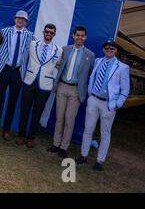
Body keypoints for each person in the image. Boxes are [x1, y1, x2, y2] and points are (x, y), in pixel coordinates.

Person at [76, 39, 130, 172]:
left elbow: (125, 89)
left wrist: (117, 104)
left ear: (116, 50)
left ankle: (99, 161)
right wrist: (90, 95)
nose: (109, 50)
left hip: (108, 104)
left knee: (105, 133)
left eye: (112, 48)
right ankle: (83, 155)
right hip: (94, 100)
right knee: (88, 129)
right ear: (103, 49)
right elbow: (92, 79)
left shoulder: (122, 67)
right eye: (106, 48)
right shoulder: (98, 61)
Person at [48, 26, 95, 158]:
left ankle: (64, 147)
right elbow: (58, 64)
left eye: (82, 36)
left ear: (85, 38)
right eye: (77, 35)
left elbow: (91, 73)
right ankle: (56, 144)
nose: (79, 38)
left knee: (69, 119)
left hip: (76, 90)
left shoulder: (90, 55)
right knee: (59, 118)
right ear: (73, 36)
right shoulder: (65, 49)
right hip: (62, 86)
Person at [16, 23, 62, 148]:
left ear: (54, 34)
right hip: (29, 81)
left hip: (45, 85)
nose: (48, 34)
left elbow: (58, 66)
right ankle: (21, 135)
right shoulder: (33, 44)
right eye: (47, 31)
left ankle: (31, 137)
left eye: (51, 33)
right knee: (24, 109)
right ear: (43, 32)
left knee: (38, 112)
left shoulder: (58, 50)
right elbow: (24, 59)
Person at [0, 10, 35, 141]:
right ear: (14, 19)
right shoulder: (4, 31)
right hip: (4, 69)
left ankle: (6, 129)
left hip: (18, 72)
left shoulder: (30, 36)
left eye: (23, 19)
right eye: (18, 18)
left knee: (12, 102)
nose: (20, 20)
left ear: (26, 22)